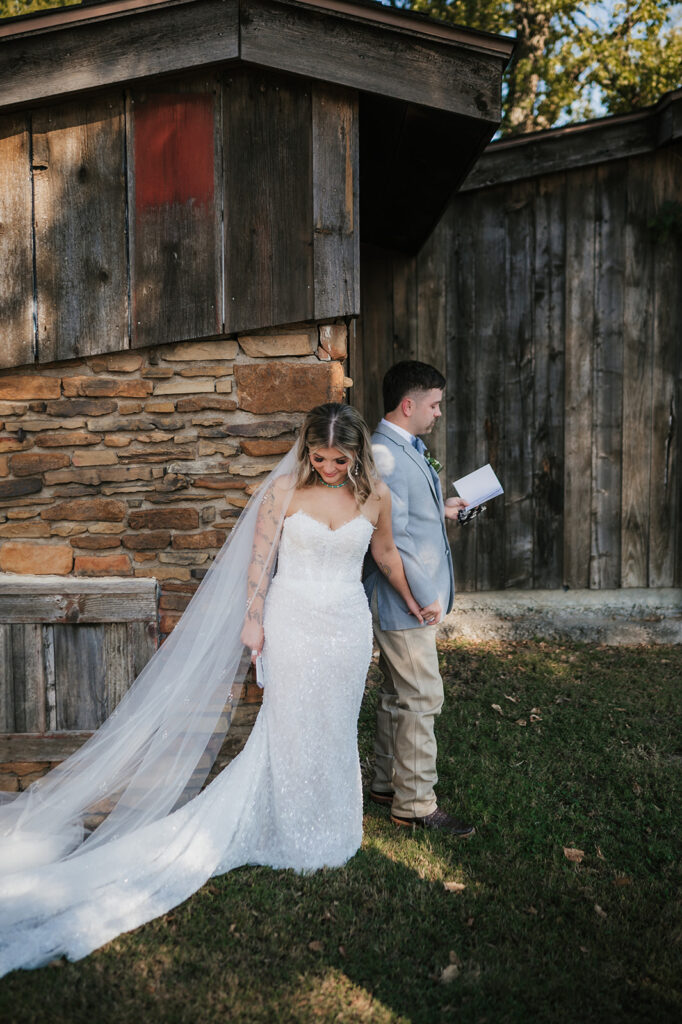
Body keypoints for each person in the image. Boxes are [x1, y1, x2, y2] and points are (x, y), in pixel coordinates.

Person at [0, 403, 423, 975]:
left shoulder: (376, 499)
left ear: (356, 455)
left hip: (346, 628)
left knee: (335, 723)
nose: (326, 466)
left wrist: (416, 599)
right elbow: (260, 559)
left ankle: (335, 828)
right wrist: (253, 618)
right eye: (318, 456)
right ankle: (294, 830)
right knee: (291, 722)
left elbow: (387, 554)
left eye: (338, 459)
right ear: (306, 450)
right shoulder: (282, 493)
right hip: (293, 620)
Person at [363, 361, 475, 837]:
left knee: (397, 694)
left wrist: (444, 508)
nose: (439, 413)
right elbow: (395, 541)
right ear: (408, 405)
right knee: (422, 696)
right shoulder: (384, 454)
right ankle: (415, 804)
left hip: (406, 597)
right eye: (434, 404)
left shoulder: (405, 447)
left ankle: (386, 783)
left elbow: (409, 518)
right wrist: (424, 598)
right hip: (403, 599)